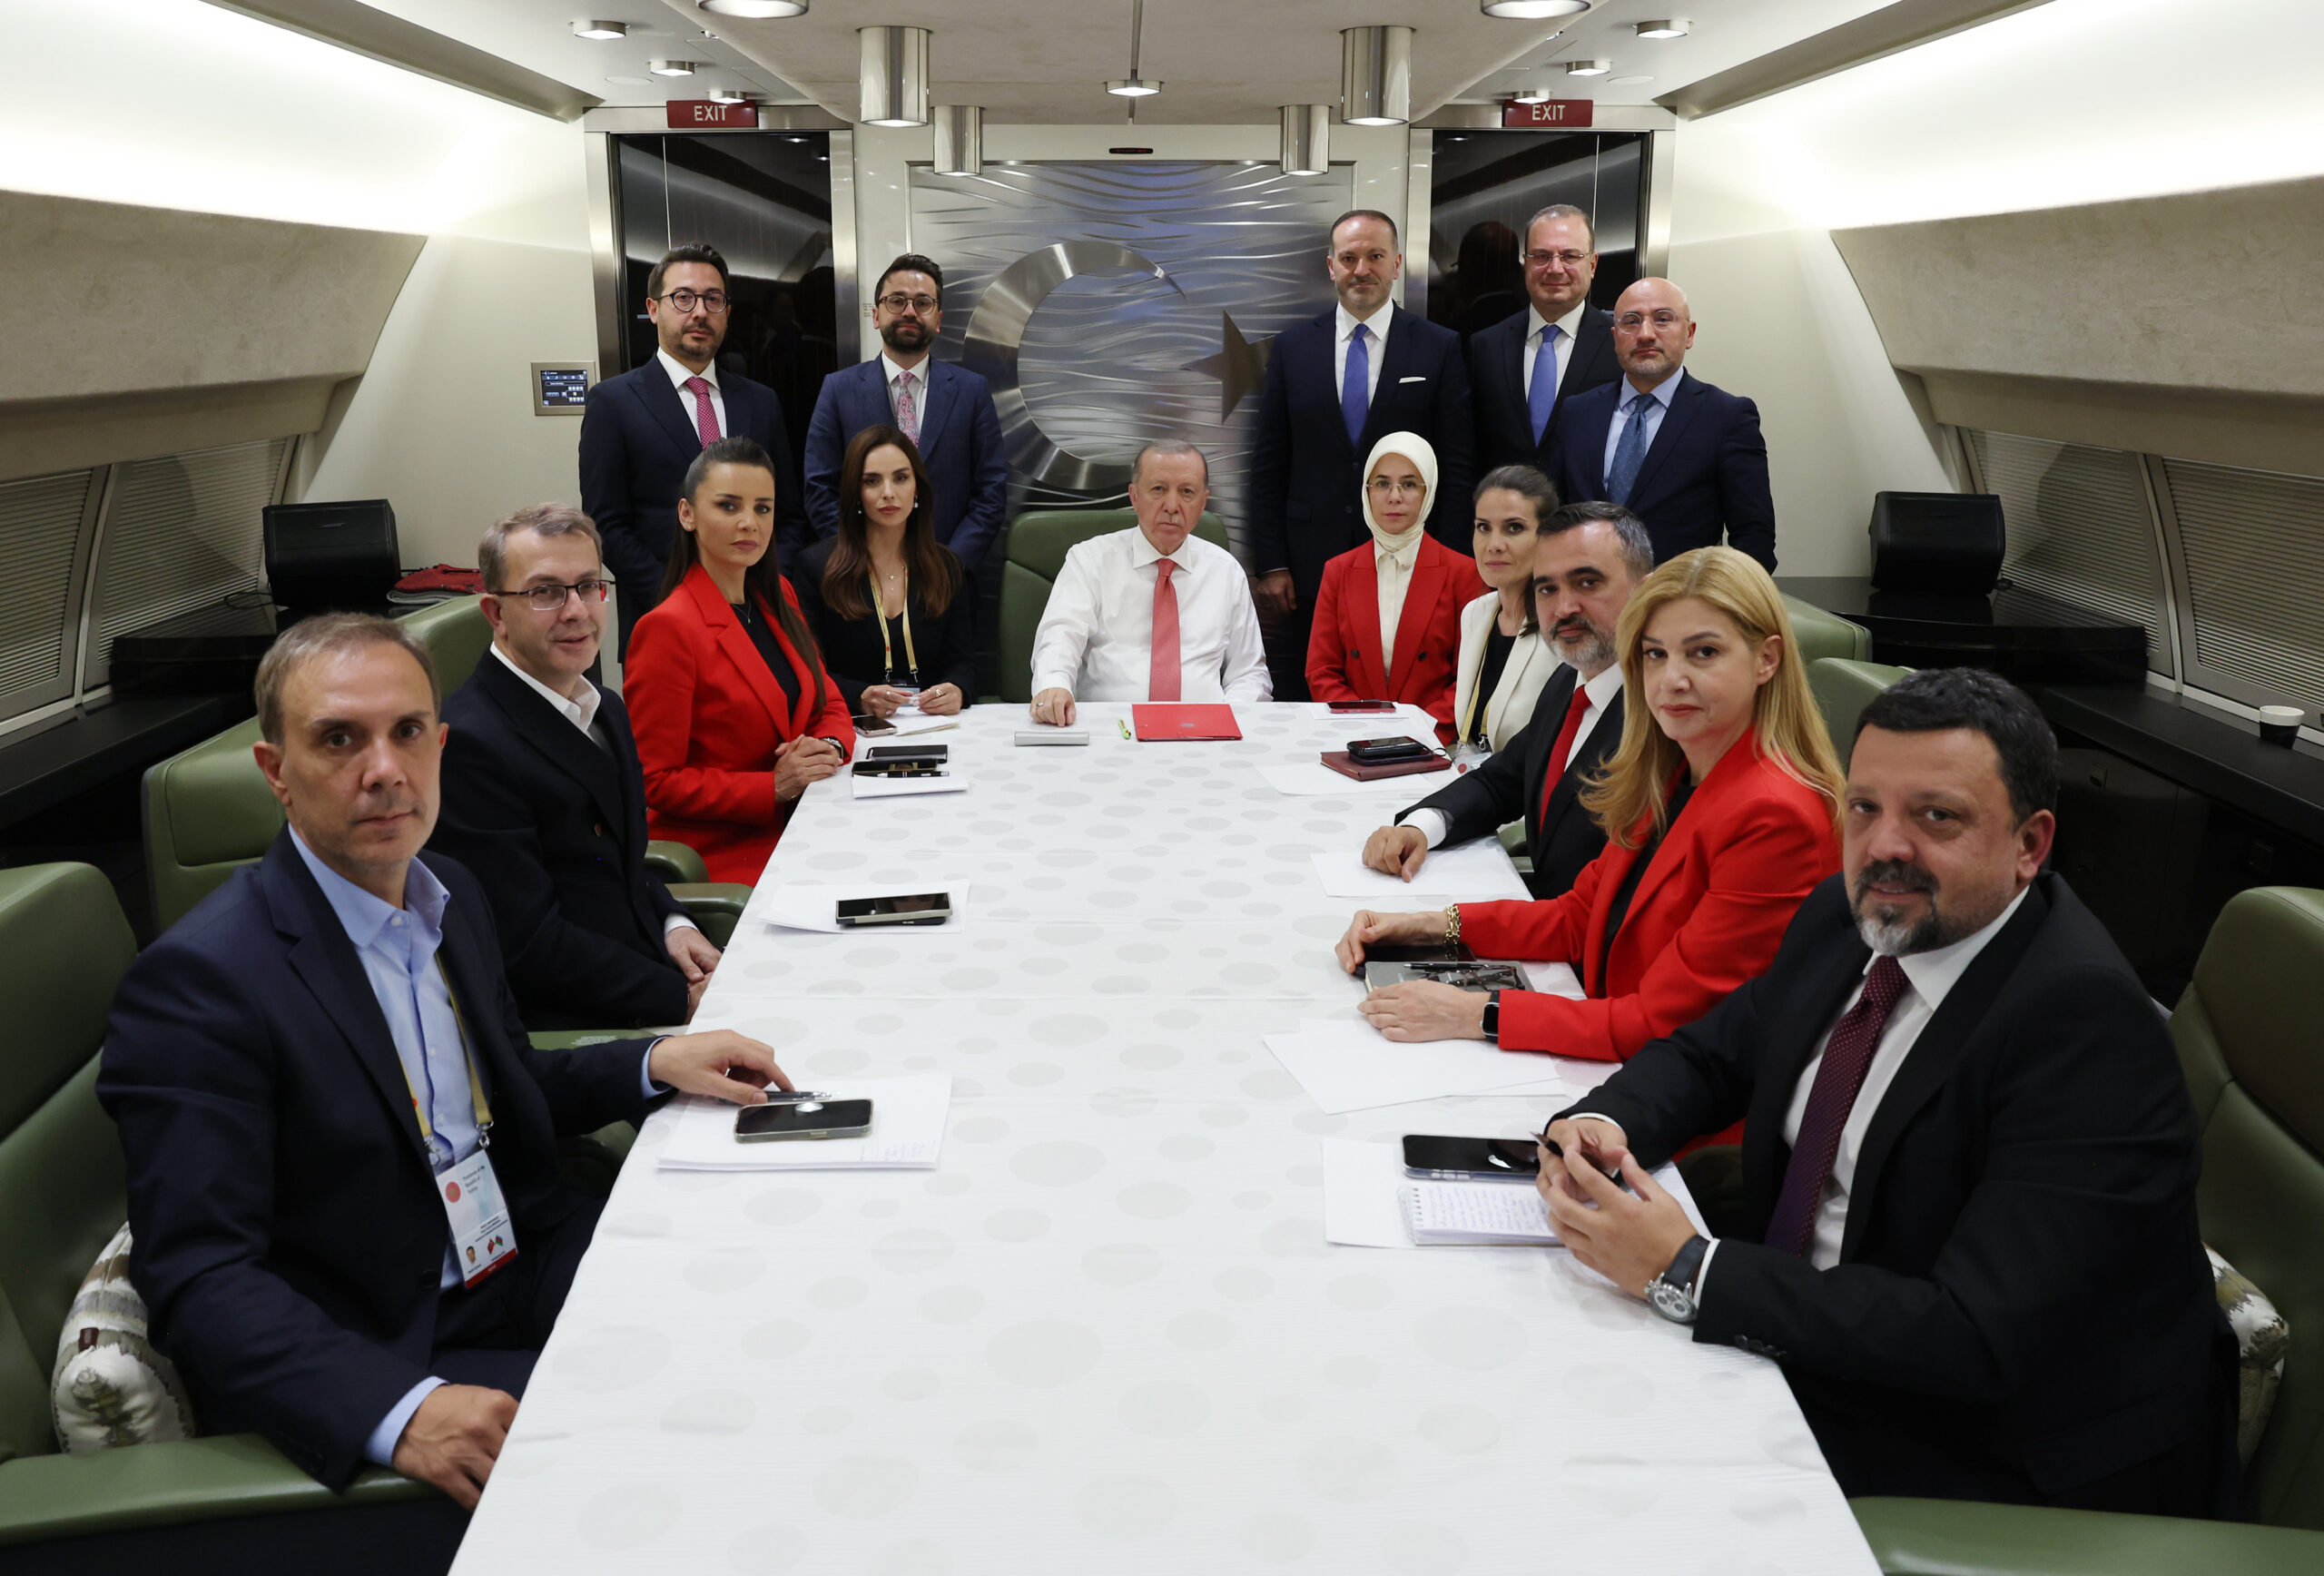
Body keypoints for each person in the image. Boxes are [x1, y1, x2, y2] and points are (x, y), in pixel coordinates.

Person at [97, 614, 793, 1506]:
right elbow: (199, 1278)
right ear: (276, 771)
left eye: (407, 731)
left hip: (521, 1247)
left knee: (759, 1307)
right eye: (339, 739)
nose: (384, 768)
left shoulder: (450, 895)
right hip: (402, 1333)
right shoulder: (202, 983)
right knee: (703, 1440)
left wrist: (653, 1061)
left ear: (441, 747)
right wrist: (397, 1408)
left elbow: (506, 1086)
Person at [1532, 668, 2237, 1516]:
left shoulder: (2084, 1028)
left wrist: (1688, 1269)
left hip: (1983, 1445)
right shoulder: (1848, 914)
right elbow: (1716, 1053)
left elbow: (1973, 1336)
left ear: (2030, 844)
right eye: (1864, 808)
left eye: (1937, 817)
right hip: (1816, 1332)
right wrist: (1601, 1121)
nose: (1885, 845)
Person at [1336, 546, 1842, 1069]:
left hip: (1677, 1091)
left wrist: (1474, 1012)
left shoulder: (1774, 817)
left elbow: (1664, 1025)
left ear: (1767, 659)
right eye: (1655, 654)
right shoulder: (1669, 769)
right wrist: (1428, 927)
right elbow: (1579, 918)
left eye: (1704, 652)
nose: (1672, 679)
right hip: (1614, 1040)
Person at [431, 505, 718, 1032]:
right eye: (545, 592)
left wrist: (674, 924)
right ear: (496, 613)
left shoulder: (604, 707)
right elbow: (528, 946)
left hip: (643, 974)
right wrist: (679, 998)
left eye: (588, 586)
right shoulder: (470, 746)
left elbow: (618, 866)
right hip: (578, 1026)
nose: (577, 611)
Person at [1364, 500, 1651, 899]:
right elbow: (1502, 781)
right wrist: (1422, 826)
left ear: (1645, 590)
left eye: (1588, 582)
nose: (1564, 608)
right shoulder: (1567, 682)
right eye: (1547, 588)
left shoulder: (1665, 714)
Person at [1248, 209, 1475, 700]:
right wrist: (1271, 562)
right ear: (1331, 266)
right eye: (1349, 258)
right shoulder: (1292, 348)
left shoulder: (1438, 347)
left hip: (1411, 557)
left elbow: (1457, 465)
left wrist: (1451, 559)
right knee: (1315, 690)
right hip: (1310, 562)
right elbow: (1269, 462)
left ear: (1396, 263)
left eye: (1375, 256)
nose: (1361, 270)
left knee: (1411, 688)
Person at [625, 437, 855, 883]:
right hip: (726, 851)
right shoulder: (668, 627)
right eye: (729, 506)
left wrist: (828, 747)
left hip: (808, 819)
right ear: (687, 514)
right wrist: (772, 787)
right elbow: (656, 780)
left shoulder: (778, 595)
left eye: (762, 508)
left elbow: (828, 703)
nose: (749, 523)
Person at [579, 242, 809, 656]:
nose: (700, 312)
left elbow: (789, 513)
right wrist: (682, 599)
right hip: (663, 618)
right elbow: (607, 524)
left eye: (713, 299)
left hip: (758, 615)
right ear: (653, 309)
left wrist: (770, 587)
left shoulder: (761, 401)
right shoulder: (613, 402)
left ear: (727, 312)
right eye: (683, 298)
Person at [1029, 439, 1269, 724]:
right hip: (1110, 728)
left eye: (1187, 492)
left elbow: (1249, 673)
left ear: (1203, 502)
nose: (1172, 506)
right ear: (1134, 496)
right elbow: (1059, 639)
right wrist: (1054, 685)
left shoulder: (1225, 571)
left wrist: (1227, 721)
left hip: (1205, 731)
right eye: (1158, 489)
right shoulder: (1090, 560)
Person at [1545, 277, 1776, 571]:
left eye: (1663, 319)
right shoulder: (1577, 412)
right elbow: (1551, 514)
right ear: (1615, 337)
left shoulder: (1727, 417)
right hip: (1583, 590)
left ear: (1689, 334)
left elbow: (1754, 536)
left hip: (1678, 596)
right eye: (1631, 322)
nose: (1645, 334)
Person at [802, 254, 1009, 576]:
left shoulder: (972, 391)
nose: (910, 311)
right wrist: (861, 560)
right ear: (876, 315)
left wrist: (949, 567)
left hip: (950, 578)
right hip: (861, 579)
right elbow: (819, 487)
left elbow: (991, 492)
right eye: (897, 301)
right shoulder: (838, 390)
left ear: (938, 319)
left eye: (923, 303)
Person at [1305, 432, 1482, 744]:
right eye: (1382, 483)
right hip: (1353, 739)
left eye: (1409, 484)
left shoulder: (1463, 573)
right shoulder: (1338, 570)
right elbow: (1322, 671)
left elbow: (1469, 678)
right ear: (1366, 491)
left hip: (1431, 741)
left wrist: (1419, 734)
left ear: (1429, 491)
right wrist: (1364, 729)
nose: (1394, 496)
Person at [795, 425, 976, 719]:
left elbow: (962, 663)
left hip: (932, 724)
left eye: (901, 478)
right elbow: (808, 672)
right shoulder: (816, 567)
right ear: (856, 492)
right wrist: (858, 696)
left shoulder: (947, 566)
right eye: (872, 481)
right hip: (851, 724)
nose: (888, 493)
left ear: (917, 488)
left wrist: (958, 690)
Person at [1467, 205, 1621, 477]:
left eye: (1570, 256)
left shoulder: (1619, 346)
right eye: (1542, 256)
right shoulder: (1485, 347)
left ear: (1593, 264)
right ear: (1525, 262)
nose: (1555, 268)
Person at [1448, 466, 1562, 760]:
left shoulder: (1564, 625)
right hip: (1473, 779)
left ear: (1547, 536)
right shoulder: (1475, 613)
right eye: (1483, 527)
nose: (1494, 545)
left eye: (1514, 528)